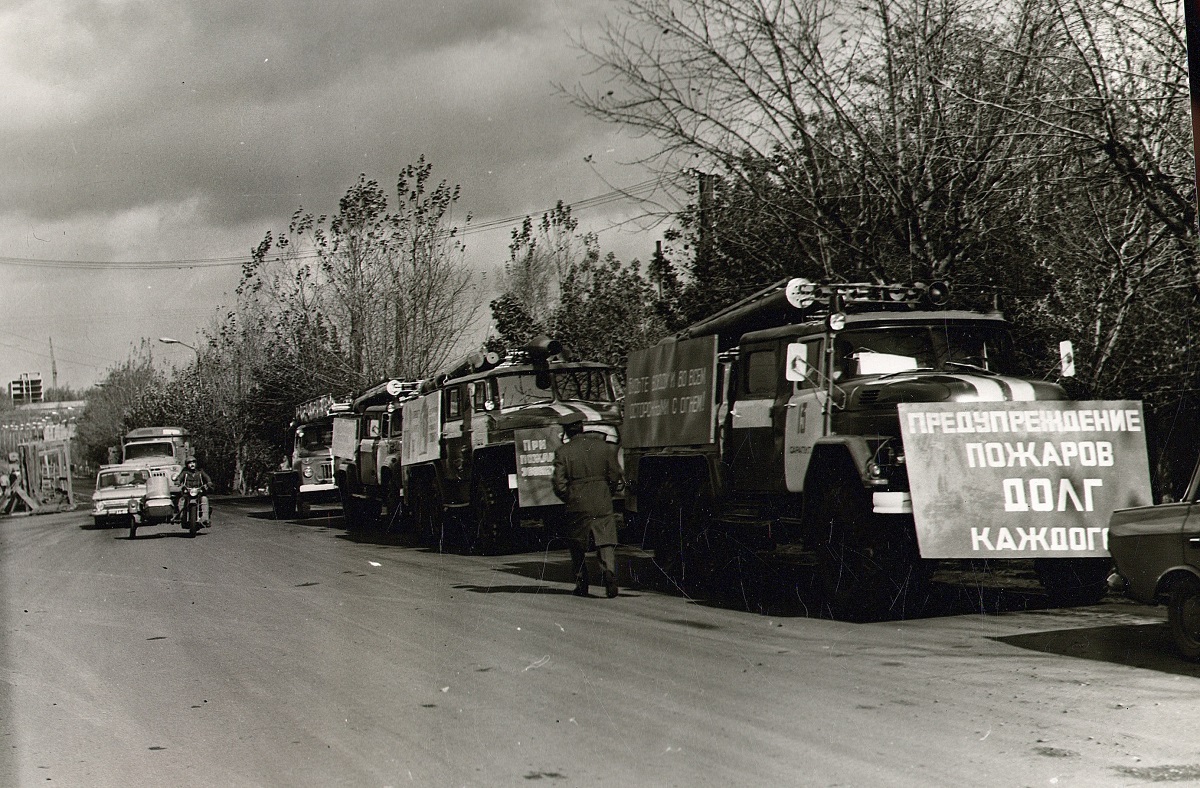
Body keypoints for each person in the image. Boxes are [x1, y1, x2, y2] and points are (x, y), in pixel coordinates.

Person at [552, 412, 624, 598]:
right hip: (601, 498)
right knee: (605, 539)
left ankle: (582, 582)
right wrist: (608, 491)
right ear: (582, 427)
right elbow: (615, 473)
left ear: (567, 432)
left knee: (577, 543)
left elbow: (559, 483)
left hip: (577, 500)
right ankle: (609, 573)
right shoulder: (603, 447)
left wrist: (568, 497)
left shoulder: (563, 452)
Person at [173, 457, 214, 525]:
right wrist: (178, 481)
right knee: (182, 500)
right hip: (187, 492)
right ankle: (181, 516)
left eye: (193, 462)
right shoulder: (185, 472)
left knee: (204, 499)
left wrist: (209, 482)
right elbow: (180, 478)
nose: (192, 464)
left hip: (199, 491)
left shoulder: (200, 472)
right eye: (190, 463)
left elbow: (206, 477)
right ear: (187, 465)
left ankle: (205, 518)